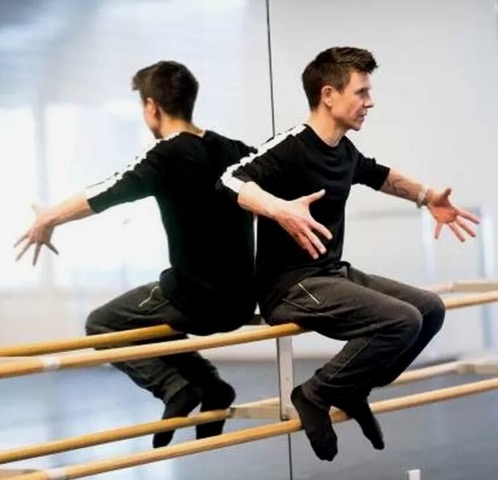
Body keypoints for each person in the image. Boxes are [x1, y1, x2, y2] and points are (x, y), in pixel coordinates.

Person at [218, 46, 479, 461]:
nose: (369, 102)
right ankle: (316, 392)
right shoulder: (291, 147)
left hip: (330, 274)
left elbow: (380, 175)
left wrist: (427, 196)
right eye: (361, 92)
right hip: (288, 286)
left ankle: (352, 386)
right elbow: (230, 179)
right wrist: (278, 208)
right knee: (400, 319)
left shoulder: (344, 150)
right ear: (328, 95)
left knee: (429, 309)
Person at [15, 60, 256, 448]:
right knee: (153, 312)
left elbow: (106, 192)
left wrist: (48, 218)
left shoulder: (164, 155)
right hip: (242, 302)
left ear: (151, 106)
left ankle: (177, 387)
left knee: (103, 323)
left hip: (196, 300)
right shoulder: (237, 150)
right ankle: (212, 388)